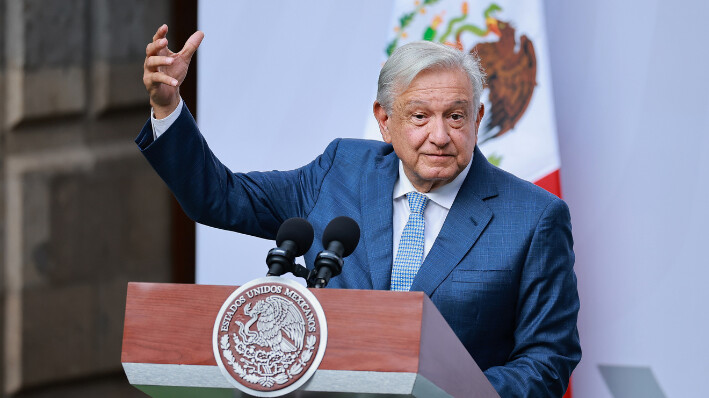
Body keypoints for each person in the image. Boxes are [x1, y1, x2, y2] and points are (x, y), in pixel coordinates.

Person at [138, 24, 580, 397]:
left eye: (457, 117)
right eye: (420, 116)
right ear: (384, 120)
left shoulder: (534, 217)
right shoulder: (339, 171)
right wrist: (167, 107)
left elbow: (547, 359)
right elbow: (222, 197)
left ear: (479, 118)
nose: (441, 136)